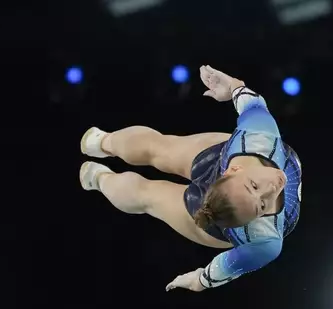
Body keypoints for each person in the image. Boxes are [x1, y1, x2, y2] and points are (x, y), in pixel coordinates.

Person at [79, 65, 302, 292]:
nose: (273, 188)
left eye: (261, 206)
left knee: (149, 187)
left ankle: (100, 175)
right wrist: (232, 86)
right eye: (254, 186)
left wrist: (200, 280)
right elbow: (245, 97)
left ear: (252, 221)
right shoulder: (258, 139)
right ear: (233, 170)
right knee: (155, 161)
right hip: (218, 159)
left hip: (213, 221)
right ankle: (103, 148)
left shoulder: (264, 241)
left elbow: (223, 269)